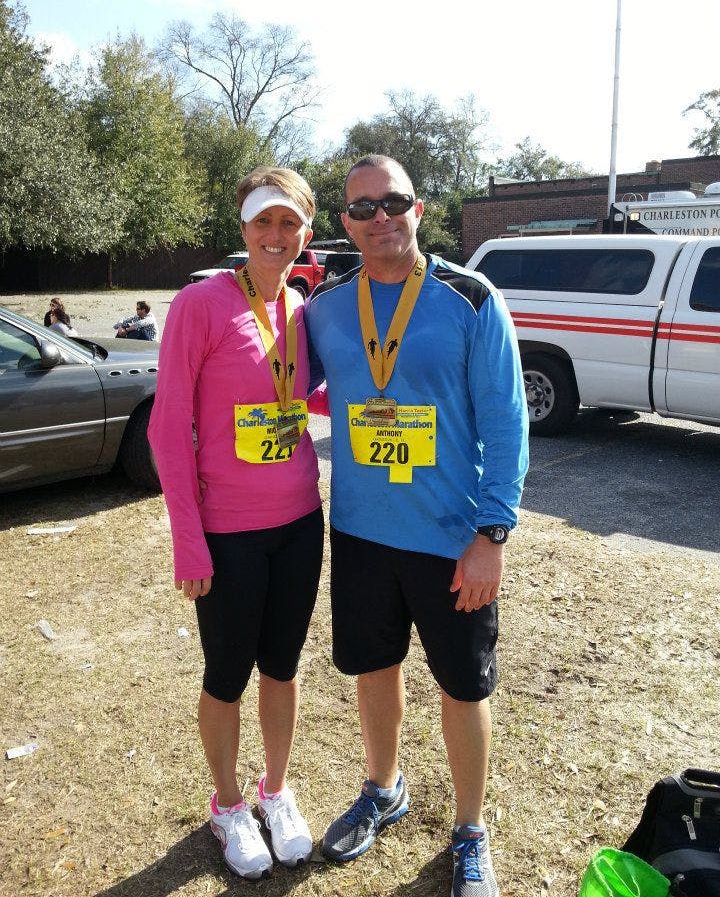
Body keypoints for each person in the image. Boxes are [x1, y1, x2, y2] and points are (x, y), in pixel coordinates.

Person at [305, 154, 529, 897]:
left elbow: (506, 419)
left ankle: (469, 830)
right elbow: (275, 378)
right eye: (363, 209)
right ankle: (384, 788)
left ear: (418, 208)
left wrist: (492, 535)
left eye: (392, 202)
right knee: (375, 669)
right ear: (345, 223)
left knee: (463, 686)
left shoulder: (469, 296)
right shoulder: (329, 306)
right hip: (364, 532)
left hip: (450, 537)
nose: (379, 218)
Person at [148, 168, 325, 880]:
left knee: (281, 667)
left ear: (306, 233)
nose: (276, 235)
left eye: (290, 223)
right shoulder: (201, 304)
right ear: (243, 229)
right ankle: (227, 805)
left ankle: (274, 792)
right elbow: (167, 428)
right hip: (227, 529)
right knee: (227, 674)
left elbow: (305, 394)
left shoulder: (304, 306)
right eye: (263, 222)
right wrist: (187, 539)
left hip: (300, 519)